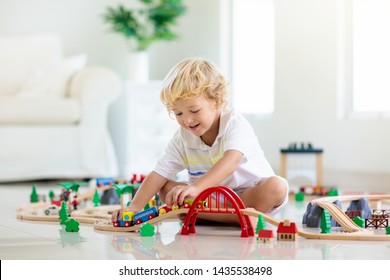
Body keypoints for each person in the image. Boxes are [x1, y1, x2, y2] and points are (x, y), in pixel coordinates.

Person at [112, 57, 288, 224]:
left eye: (194, 111)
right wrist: (134, 207)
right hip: (209, 200)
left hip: (247, 196)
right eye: (178, 113)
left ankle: (224, 216)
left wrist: (197, 188)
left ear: (217, 101)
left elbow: (231, 161)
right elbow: (159, 173)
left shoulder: (235, 125)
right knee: (166, 188)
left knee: (277, 187)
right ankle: (232, 218)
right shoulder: (182, 137)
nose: (187, 120)